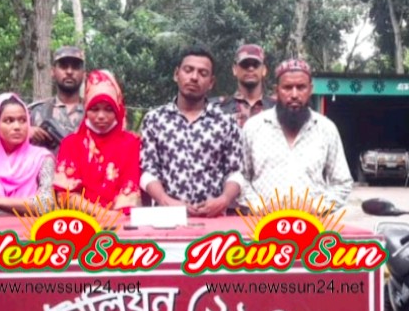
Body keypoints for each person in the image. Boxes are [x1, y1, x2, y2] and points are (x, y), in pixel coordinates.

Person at [140, 46, 245, 217]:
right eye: (188, 70)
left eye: (203, 73)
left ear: (211, 82)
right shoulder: (155, 120)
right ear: (176, 74)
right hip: (167, 219)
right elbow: (148, 172)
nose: (194, 77)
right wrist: (165, 200)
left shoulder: (225, 122)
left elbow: (236, 172)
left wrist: (224, 200)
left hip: (213, 219)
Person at [240, 58, 352, 211]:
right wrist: (261, 207)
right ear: (277, 90)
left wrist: (316, 207)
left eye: (301, 87)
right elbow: (241, 177)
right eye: (287, 87)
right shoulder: (254, 127)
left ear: (310, 89)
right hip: (262, 222)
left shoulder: (326, 129)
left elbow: (342, 183)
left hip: (312, 223)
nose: (294, 94)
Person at [54, 69, 141, 210]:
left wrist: (113, 218)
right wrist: (98, 214)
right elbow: (64, 195)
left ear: (118, 109)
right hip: (81, 218)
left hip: (120, 219)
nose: (101, 116)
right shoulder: (71, 144)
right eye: (94, 109)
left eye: (108, 109)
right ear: (86, 109)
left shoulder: (131, 143)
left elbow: (130, 190)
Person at [0, 93, 54, 218]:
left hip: (31, 229)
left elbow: (46, 205)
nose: (17, 127)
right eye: (9, 121)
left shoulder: (42, 158)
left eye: (23, 120)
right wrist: (27, 208)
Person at [28, 45, 86, 154]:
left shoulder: (94, 112)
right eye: (63, 66)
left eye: (75, 67)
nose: (69, 72)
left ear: (84, 74)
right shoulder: (35, 112)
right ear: (53, 71)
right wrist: (25, 134)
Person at [217, 44, 276, 128]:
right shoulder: (220, 108)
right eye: (245, 64)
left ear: (264, 70)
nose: (250, 69)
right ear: (235, 70)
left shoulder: (276, 108)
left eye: (255, 64)